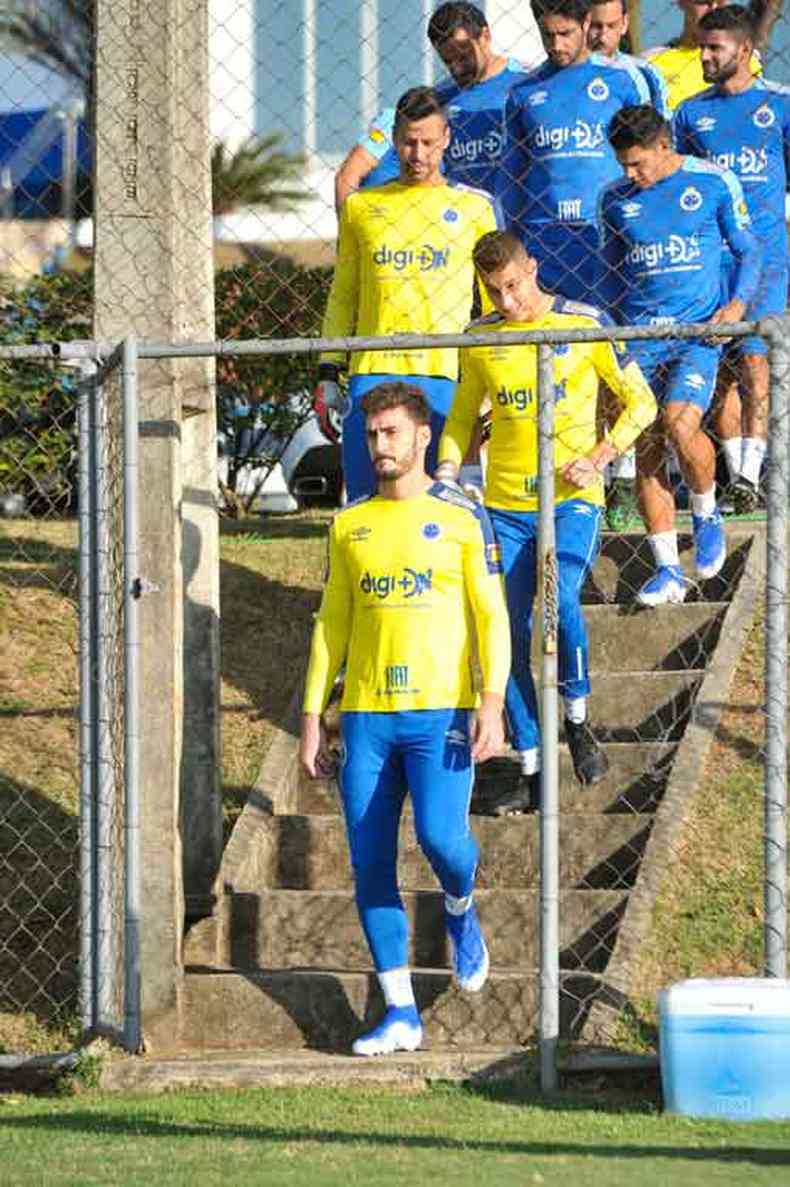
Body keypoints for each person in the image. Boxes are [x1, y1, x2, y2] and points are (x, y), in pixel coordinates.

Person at [300, 381, 510, 1055]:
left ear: (423, 436)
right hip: (365, 716)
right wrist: (312, 717)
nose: (379, 445)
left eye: (390, 432)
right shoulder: (350, 523)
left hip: (439, 710)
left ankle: (460, 909)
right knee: (369, 863)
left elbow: (491, 616)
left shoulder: (459, 517)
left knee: (443, 841)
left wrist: (493, 699)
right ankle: (400, 1012)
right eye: (370, 435)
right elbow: (331, 625)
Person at [436, 231, 657, 813]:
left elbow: (642, 402)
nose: (507, 302)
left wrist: (602, 456)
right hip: (505, 509)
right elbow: (462, 415)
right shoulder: (480, 338)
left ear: (532, 267)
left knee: (561, 604)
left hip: (570, 501)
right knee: (502, 631)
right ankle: (534, 763)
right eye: (493, 291)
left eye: (513, 286)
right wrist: (447, 474)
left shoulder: (583, 323)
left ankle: (578, 720)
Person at [599, 105, 762, 605]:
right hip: (639, 340)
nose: (630, 175)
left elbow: (749, 250)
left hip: (695, 337)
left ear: (664, 146)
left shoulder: (712, 182)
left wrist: (735, 305)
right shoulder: (613, 200)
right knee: (646, 447)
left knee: (680, 423)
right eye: (623, 165)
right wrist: (610, 331)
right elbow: (609, 275)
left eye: (638, 164)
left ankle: (707, 509)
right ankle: (668, 568)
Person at [316, 85, 501, 503]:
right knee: (367, 497)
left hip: (444, 373)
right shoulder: (362, 207)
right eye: (408, 142)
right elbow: (344, 292)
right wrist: (328, 371)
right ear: (394, 140)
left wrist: (490, 380)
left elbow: (493, 306)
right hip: (374, 366)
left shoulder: (476, 208)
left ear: (447, 140)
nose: (418, 154)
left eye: (428, 143)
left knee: (447, 499)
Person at [674, 4, 790, 512]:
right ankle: (736, 470)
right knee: (718, 369)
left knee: (755, 359)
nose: (704, 55)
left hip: (765, 257)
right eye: (702, 46)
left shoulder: (780, 105)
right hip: (707, 262)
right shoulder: (690, 113)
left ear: (744, 51)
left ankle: (749, 474)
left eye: (714, 48)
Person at [496, 0, 652, 309]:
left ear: (585, 24)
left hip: (606, 233)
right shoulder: (523, 92)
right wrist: (511, 240)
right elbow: (512, 175)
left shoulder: (624, 80)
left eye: (565, 33)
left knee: (610, 338)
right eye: (547, 34)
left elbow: (652, 160)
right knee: (550, 343)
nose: (555, 45)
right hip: (544, 239)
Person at [588, 0, 670, 530]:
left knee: (664, 403)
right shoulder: (535, 84)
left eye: (609, 24)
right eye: (590, 22)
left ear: (625, 25)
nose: (599, 33)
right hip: (591, 251)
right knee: (605, 375)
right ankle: (612, 486)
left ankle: (659, 493)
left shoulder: (641, 76)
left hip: (664, 268)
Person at [334, 2, 543, 209]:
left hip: (516, 229)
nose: (457, 68)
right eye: (448, 60)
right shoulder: (439, 99)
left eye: (463, 56)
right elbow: (354, 169)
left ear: (485, 36)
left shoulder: (531, 84)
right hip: (457, 226)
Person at [641, 0, 761, 112]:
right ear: (681, 2)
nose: (714, 9)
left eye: (721, 1)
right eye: (704, 1)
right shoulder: (651, 62)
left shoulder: (747, 58)